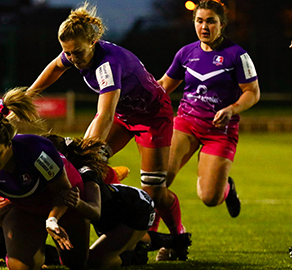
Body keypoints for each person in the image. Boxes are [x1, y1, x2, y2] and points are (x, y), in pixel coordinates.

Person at [26, 1, 186, 247]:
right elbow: (56, 67)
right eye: (67, 52)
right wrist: (29, 94)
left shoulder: (107, 65)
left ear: (92, 42)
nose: (72, 58)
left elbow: (105, 115)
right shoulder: (76, 51)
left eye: (76, 53)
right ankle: (114, 187)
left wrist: (88, 150)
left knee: (155, 190)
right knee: (84, 166)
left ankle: (177, 235)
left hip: (152, 118)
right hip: (124, 115)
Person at [0, 87, 91, 270]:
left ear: (9, 144)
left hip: (61, 202)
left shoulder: (37, 151)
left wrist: (52, 220)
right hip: (23, 205)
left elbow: (64, 192)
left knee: (76, 263)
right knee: (20, 267)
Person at [156, 0, 260, 260]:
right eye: (199, 21)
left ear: (221, 24)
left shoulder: (237, 55)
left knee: (210, 198)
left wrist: (232, 109)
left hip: (219, 131)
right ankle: (168, 239)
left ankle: (226, 188)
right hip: (186, 123)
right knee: (158, 181)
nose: (204, 26)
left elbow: (253, 93)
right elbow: (163, 87)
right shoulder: (185, 53)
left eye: (210, 21)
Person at [43, 134, 192, 267]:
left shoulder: (86, 174)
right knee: (118, 241)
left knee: (93, 262)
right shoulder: (58, 175)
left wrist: (77, 203)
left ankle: (136, 256)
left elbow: (95, 211)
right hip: (113, 213)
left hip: (136, 210)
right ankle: (174, 241)